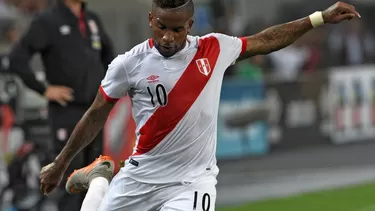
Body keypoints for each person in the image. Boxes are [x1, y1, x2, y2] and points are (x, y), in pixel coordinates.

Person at [39, 0, 360, 210]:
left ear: (190, 25)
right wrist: (60, 163)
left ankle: (101, 178)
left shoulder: (214, 48)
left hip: (192, 181)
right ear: (151, 19)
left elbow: (267, 40)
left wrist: (317, 18)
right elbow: (96, 115)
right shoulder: (129, 64)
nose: (168, 36)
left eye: (177, 29)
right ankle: (99, 177)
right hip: (142, 175)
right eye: (161, 26)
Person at [9, 0, 113, 210]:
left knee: (97, 181)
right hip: (67, 111)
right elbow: (17, 58)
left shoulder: (92, 20)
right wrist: (45, 89)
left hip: (95, 112)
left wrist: (109, 87)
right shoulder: (47, 20)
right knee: (70, 182)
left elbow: (109, 56)